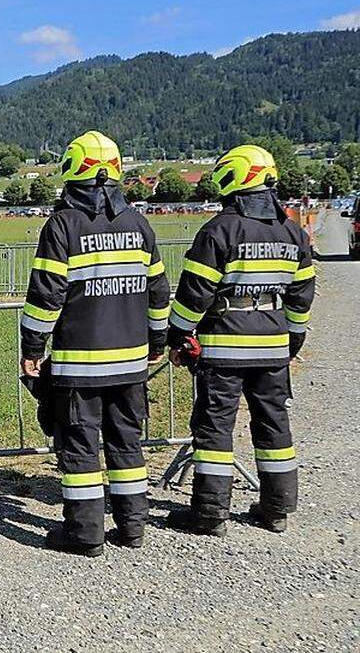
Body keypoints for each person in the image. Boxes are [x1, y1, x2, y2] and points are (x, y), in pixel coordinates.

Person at [20, 131, 170, 556]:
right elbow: (158, 291)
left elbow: (48, 295)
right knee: (127, 442)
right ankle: (133, 528)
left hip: (79, 365)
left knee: (81, 447)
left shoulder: (63, 225)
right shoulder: (139, 225)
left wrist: (32, 348)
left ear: (71, 171)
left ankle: (85, 535)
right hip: (130, 364)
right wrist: (157, 339)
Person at [165, 145, 314, 537]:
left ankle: (210, 515)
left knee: (215, 430)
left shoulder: (220, 230)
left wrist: (177, 335)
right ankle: (277, 509)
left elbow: (194, 295)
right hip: (273, 346)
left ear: (234, 178)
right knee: (274, 426)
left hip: (225, 346)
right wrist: (292, 340)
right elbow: (301, 297)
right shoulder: (293, 232)